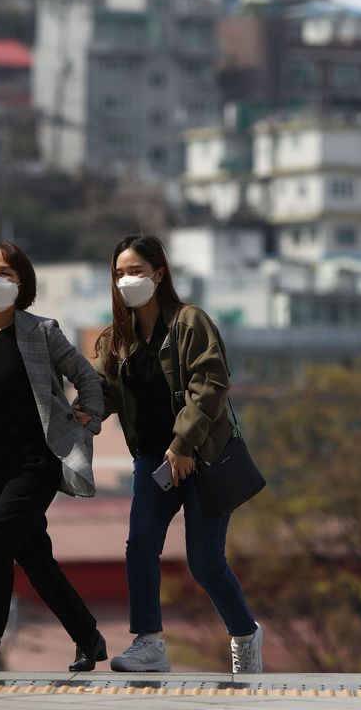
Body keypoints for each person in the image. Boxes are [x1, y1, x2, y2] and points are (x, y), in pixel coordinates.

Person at [88, 234, 264, 674]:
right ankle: (149, 642)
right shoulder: (116, 339)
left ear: (159, 274)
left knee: (205, 564)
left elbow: (211, 385)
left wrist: (183, 444)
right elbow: (103, 391)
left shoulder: (189, 323)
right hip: (152, 460)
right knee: (140, 544)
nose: (127, 280)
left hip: (200, 455)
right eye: (119, 273)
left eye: (135, 271)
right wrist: (79, 411)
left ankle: (245, 633)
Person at [0, 242, 107, 673]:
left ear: (22, 285)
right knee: (35, 559)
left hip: (37, 463)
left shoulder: (40, 330)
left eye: (7, 273)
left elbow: (85, 375)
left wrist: (88, 423)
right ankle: (89, 637)